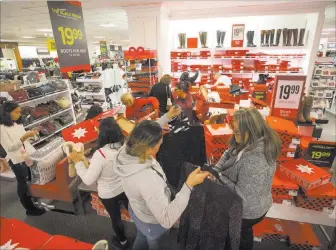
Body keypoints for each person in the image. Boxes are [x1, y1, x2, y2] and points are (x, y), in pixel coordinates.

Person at [114, 106, 210, 250]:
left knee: (141, 237)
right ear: (150, 147)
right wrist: (189, 185)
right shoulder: (147, 179)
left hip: (137, 211)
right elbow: (166, 220)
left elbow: (142, 133)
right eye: (160, 142)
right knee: (155, 243)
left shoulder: (127, 149)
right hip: (152, 222)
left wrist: (167, 116)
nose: (161, 143)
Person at [213, 108, 281, 250]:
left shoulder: (256, 160)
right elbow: (229, 152)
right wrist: (217, 169)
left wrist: (218, 177)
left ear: (250, 130)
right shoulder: (246, 140)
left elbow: (241, 197)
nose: (234, 134)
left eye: (237, 132)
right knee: (242, 233)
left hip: (248, 211)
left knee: (235, 235)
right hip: (251, 203)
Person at [68, 117, 129, 249]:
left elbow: (89, 180)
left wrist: (79, 162)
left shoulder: (100, 155)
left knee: (115, 217)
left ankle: (123, 241)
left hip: (108, 193)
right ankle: (143, 233)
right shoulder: (125, 146)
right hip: (124, 187)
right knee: (133, 212)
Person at [0, 101, 45, 216]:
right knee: (23, 184)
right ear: (7, 113)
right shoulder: (2, 129)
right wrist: (24, 136)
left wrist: (33, 134)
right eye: (16, 112)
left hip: (27, 156)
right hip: (17, 160)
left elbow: (25, 141)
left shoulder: (16, 124)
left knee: (31, 180)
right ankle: (29, 209)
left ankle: (34, 202)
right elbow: (9, 147)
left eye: (20, 112)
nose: (19, 114)